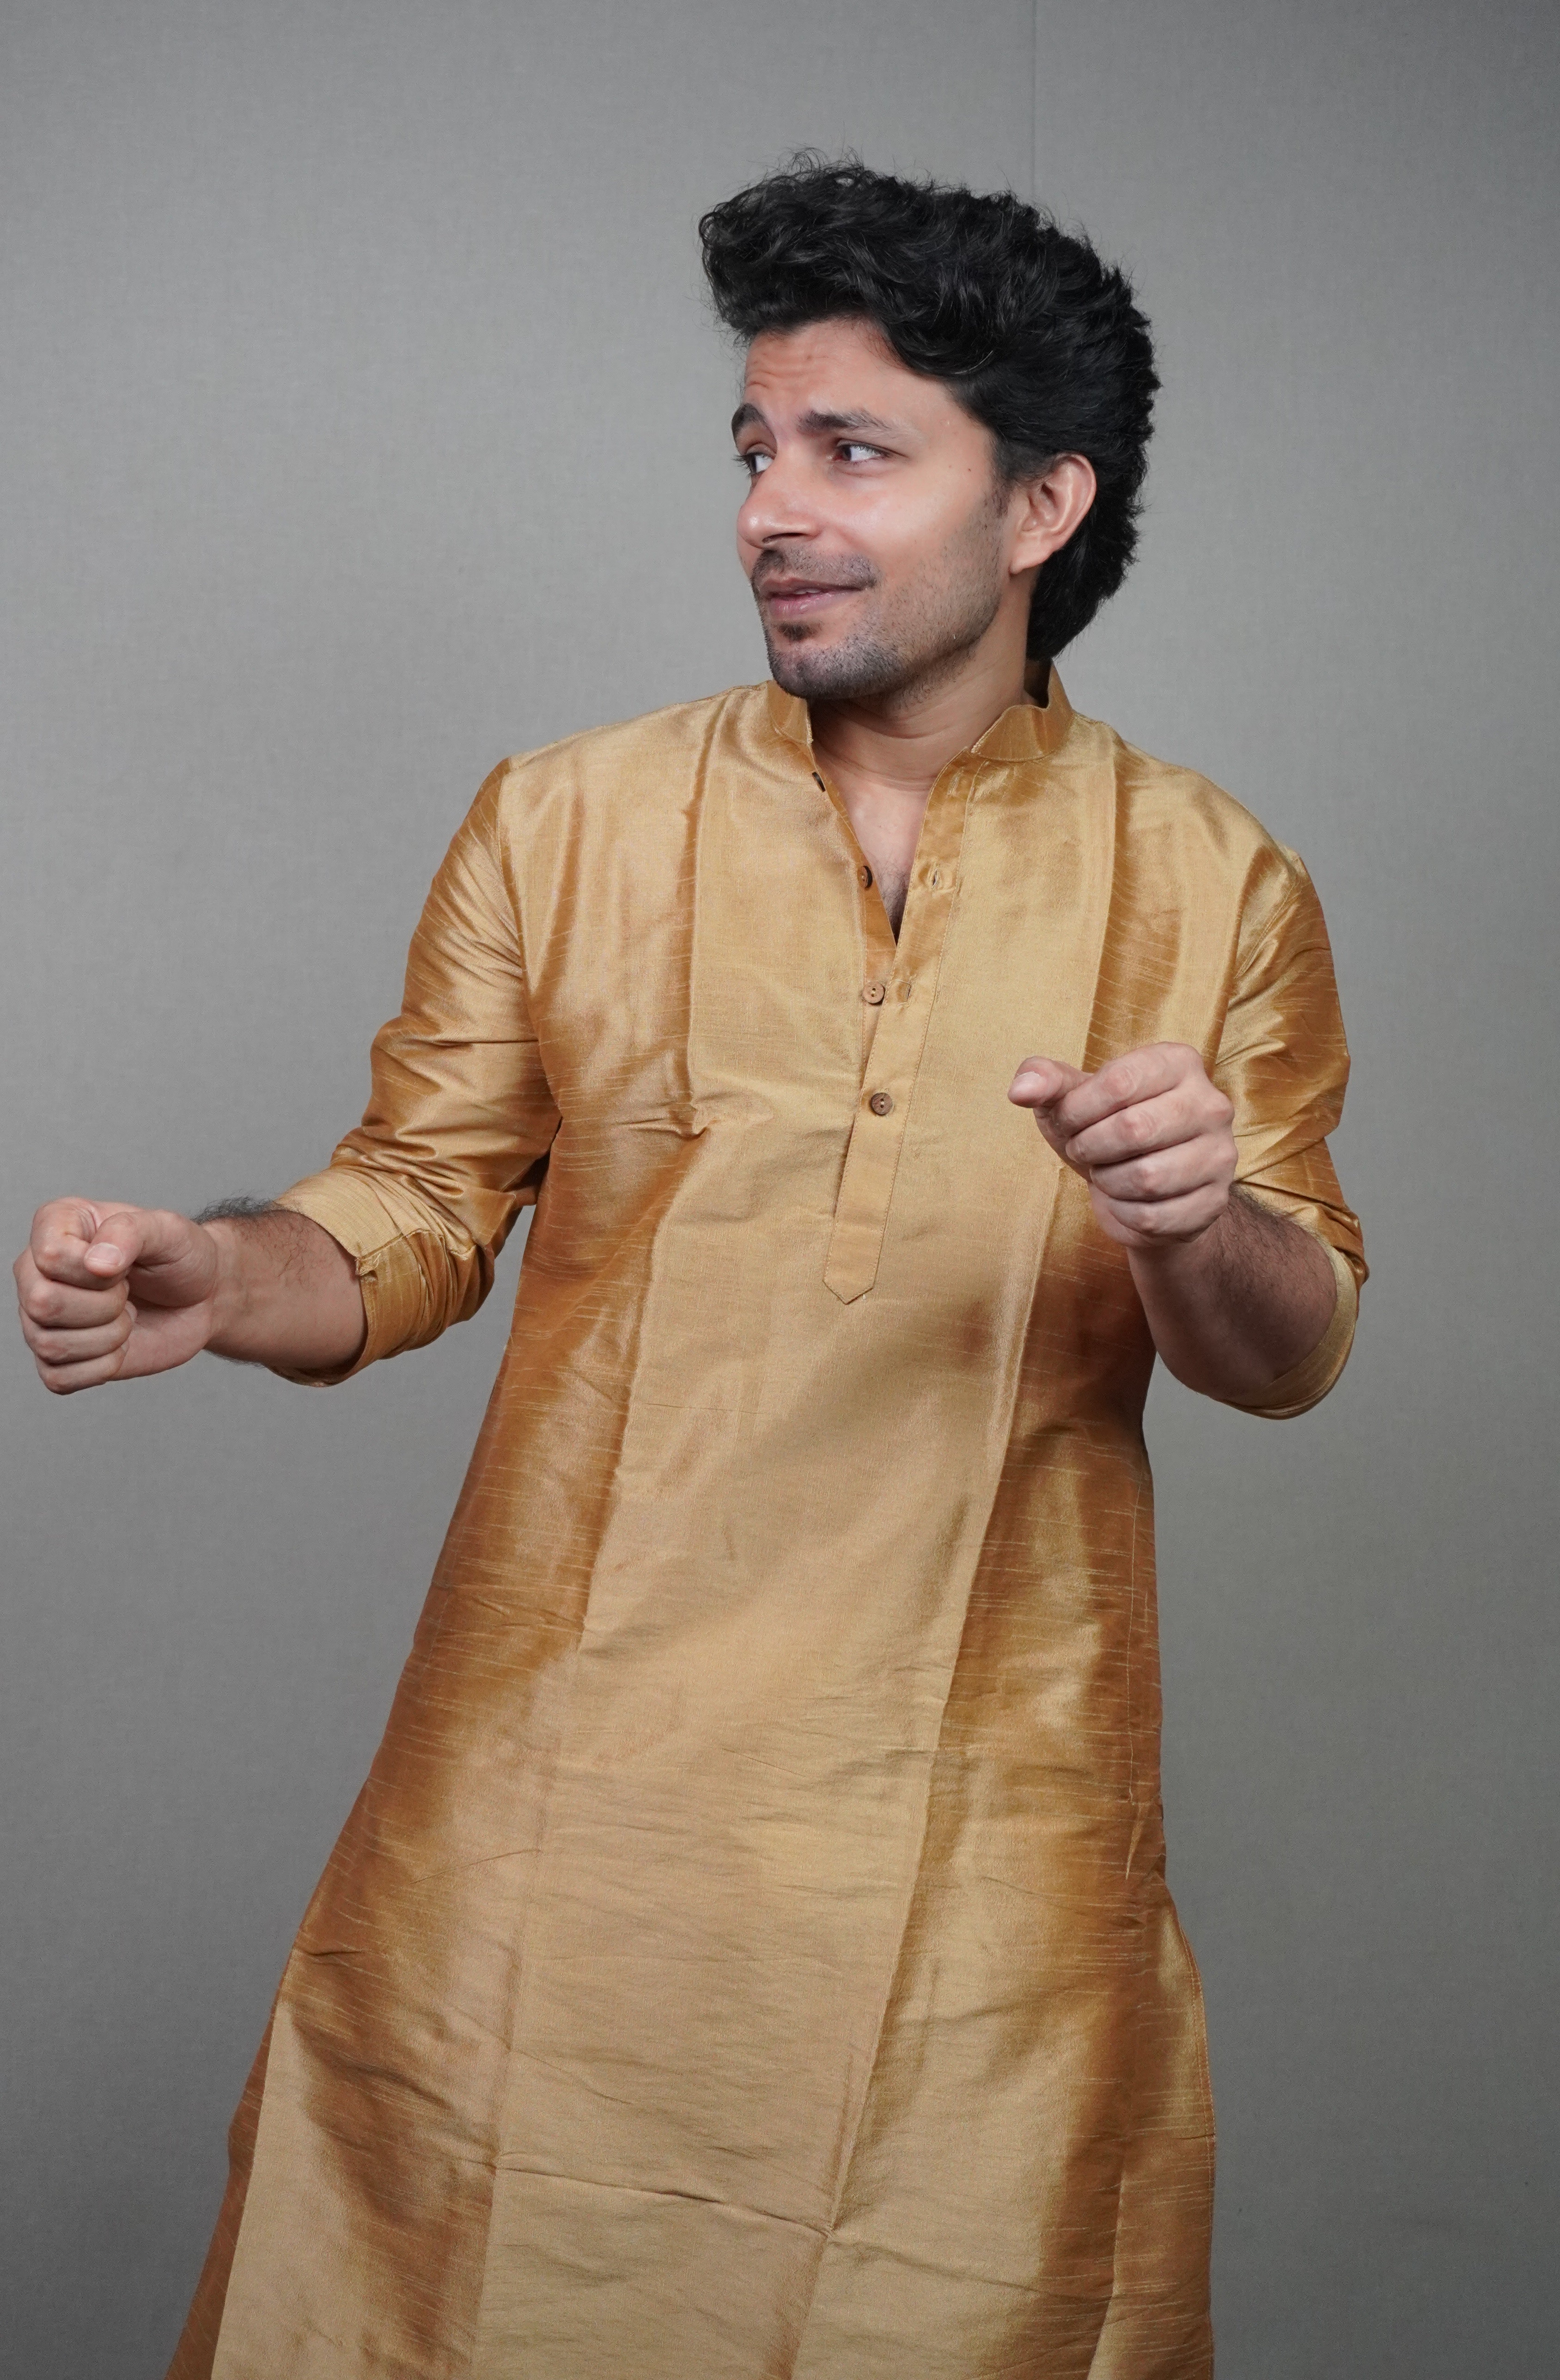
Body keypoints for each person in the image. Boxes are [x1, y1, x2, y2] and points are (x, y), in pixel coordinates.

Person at [16, 158, 1364, 2380]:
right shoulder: (567, 822)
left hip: (980, 1856)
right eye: (755, 447)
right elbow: (412, 1204)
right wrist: (223, 1276)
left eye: (853, 452)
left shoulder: (1214, 884)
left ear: (1040, 506)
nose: (771, 511)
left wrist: (1188, 1216)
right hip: (548, 1827)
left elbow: (1288, 1345)